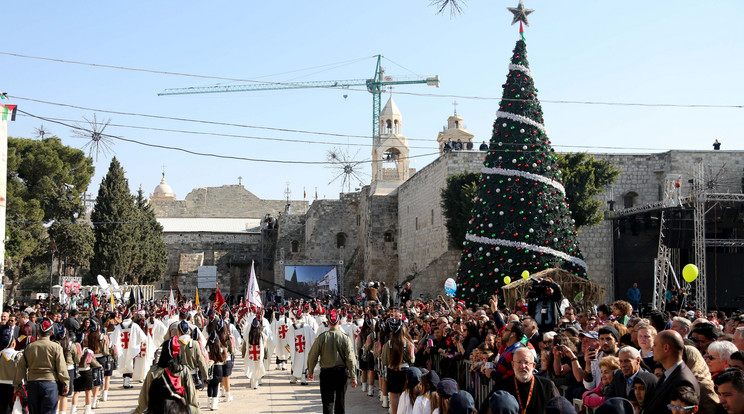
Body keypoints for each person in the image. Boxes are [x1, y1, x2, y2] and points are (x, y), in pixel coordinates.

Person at [15, 318, 70, 414]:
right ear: (51, 332)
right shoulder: (56, 347)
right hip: (50, 384)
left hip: (32, 384)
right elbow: (61, 368)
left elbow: (21, 367)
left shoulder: (30, 347)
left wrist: (18, 385)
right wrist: (66, 382)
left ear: (38, 332)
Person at [307, 309, 357, 414]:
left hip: (326, 373)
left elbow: (312, 355)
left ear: (328, 323)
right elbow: (351, 359)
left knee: (327, 402)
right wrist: (353, 376)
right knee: (340, 401)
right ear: (339, 322)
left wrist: (310, 371)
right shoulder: (345, 338)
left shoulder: (322, 337)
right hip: (341, 373)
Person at [133, 337, 199, 414]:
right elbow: (192, 398)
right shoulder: (184, 371)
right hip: (179, 410)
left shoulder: (154, 371)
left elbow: (144, 401)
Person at [644, 330, 700, 414]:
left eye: (655, 345)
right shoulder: (669, 373)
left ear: (666, 348)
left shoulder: (683, 381)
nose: (652, 348)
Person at [494, 347, 559, 414]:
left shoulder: (547, 386)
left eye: (526, 362)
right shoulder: (501, 386)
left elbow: (559, 409)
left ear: (533, 366)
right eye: (519, 362)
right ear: (513, 364)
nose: (522, 366)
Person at [382, 318, 414, 414]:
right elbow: (412, 360)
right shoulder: (408, 343)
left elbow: (384, 361)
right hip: (404, 371)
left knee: (393, 394)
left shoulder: (388, 344)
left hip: (392, 370)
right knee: (403, 394)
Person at [0, 325, 21, 414]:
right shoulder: (18, 355)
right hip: (13, 385)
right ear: (13, 343)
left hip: (1, 384)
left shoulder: (0, 354)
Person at [243, 318, 266, 389]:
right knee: (257, 367)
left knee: (251, 367)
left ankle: (253, 383)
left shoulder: (248, 334)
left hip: (251, 354)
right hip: (258, 354)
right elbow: (265, 340)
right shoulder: (261, 334)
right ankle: (256, 383)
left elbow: (245, 339)